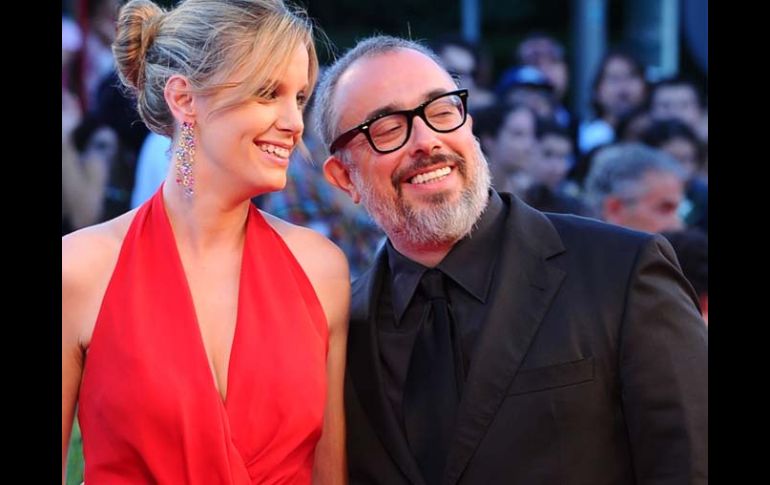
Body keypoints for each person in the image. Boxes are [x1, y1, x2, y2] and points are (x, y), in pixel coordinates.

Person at [313, 35, 707, 484]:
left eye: (441, 111)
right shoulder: (342, 330)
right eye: (386, 128)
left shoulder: (623, 272)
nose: (426, 140)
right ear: (344, 177)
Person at [61, 1, 349, 483]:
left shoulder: (321, 271)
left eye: (299, 97)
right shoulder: (81, 269)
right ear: (184, 99)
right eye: (267, 93)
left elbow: (330, 473)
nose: (294, 121)